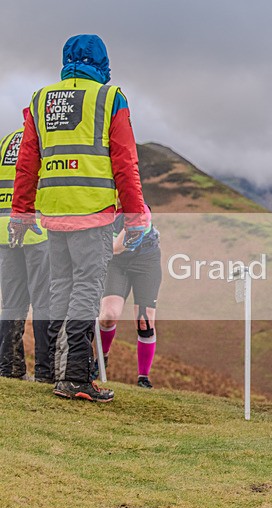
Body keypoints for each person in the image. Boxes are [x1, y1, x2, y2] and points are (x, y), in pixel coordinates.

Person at [10, 34, 148, 402]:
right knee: (87, 289)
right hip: (92, 211)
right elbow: (125, 162)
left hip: (53, 211)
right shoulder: (109, 97)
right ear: (102, 62)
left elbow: (27, 163)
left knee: (61, 287)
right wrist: (135, 216)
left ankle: (59, 372)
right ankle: (74, 377)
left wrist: (21, 213)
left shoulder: (40, 100)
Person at [0, 112, 51, 381]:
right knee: (44, 302)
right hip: (38, 230)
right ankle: (45, 370)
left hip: (5, 231)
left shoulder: (6, 141)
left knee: (12, 303)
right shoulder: (43, 140)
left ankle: (9, 367)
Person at [98, 205, 161, 389]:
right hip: (116, 264)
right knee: (108, 315)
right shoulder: (102, 206)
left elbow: (116, 247)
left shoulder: (139, 210)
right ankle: (101, 359)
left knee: (144, 322)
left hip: (145, 261)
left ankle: (143, 377)